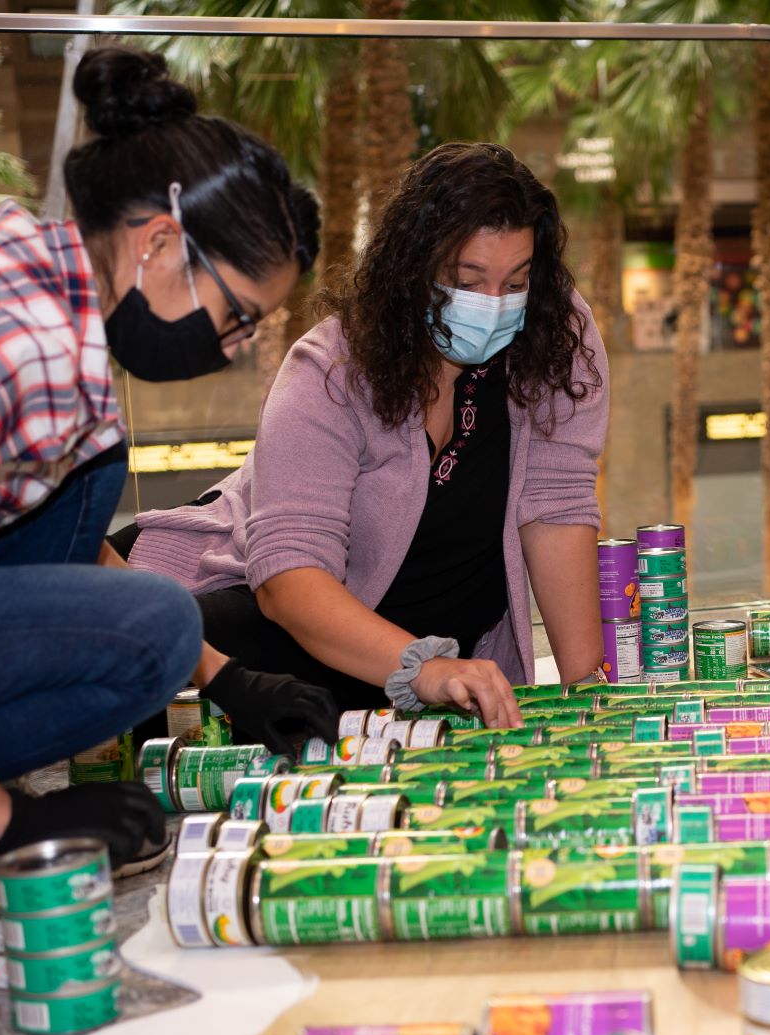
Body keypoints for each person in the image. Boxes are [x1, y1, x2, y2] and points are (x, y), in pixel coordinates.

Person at [0, 47, 334, 978]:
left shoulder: (41, 285)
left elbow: (45, 540)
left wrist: (224, 678)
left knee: (102, 516)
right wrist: (13, 823)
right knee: (149, 626)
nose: (236, 347)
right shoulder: (2, 347)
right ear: (159, 245)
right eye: (239, 315)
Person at [122, 142, 608, 724]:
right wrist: (422, 668)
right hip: (274, 626)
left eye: (514, 283)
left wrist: (589, 697)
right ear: (413, 271)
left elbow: (557, 505)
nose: (493, 305)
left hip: (429, 660)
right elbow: (288, 580)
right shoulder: (330, 371)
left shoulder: (553, 332)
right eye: (467, 281)